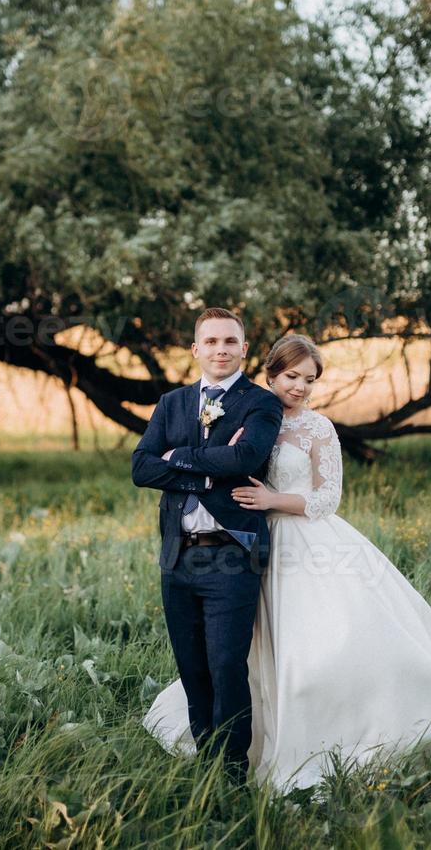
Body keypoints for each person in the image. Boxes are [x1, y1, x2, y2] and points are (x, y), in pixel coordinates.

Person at [142, 332, 431, 793]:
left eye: (309, 380)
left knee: (319, 648)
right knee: (248, 651)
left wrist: (273, 498)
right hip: (248, 545)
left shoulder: (316, 428)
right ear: (270, 373)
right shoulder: (245, 412)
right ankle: (233, 747)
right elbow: (218, 463)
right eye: (291, 376)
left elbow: (328, 497)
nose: (299, 387)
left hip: (304, 539)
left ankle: (331, 735)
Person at [131, 307, 284, 787]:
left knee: (225, 667)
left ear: (244, 349)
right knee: (192, 667)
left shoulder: (261, 403)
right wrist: (215, 466)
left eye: (230, 342)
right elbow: (141, 468)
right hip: (178, 554)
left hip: (232, 555)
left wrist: (180, 458)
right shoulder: (171, 403)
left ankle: (234, 776)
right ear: (196, 350)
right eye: (212, 342)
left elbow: (248, 456)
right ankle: (207, 765)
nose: (221, 350)